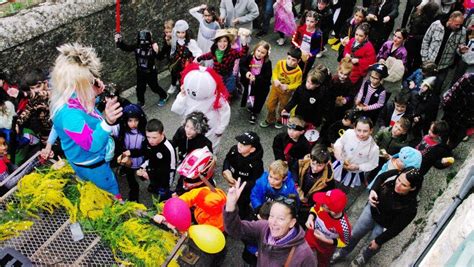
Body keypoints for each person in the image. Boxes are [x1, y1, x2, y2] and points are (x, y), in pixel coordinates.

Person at [49, 43, 121, 198]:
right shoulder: (70, 116)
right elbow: (92, 145)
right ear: (77, 84)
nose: (94, 82)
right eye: (89, 81)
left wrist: (95, 94)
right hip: (92, 164)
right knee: (110, 193)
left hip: (82, 159)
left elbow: (84, 110)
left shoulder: (67, 97)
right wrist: (107, 122)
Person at [331, 167, 424, 266]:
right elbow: (380, 177)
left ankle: (362, 258)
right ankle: (342, 252)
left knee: (372, 246)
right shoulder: (395, 174)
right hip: (372, 210)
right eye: (399, 180)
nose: (398, 185)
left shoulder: (410, 208)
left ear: (413, 188)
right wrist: (373, 191)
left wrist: (379, 241)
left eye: (404, 185)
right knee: (354, 234)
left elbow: (396, 228)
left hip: (385, 225)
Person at [225, 179, 317, 266]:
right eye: (271, 216)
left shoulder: (304, 254)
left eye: (281, 218)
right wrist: (230, 206)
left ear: (292, 222)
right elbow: (235, 230)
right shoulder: (263, 227)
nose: (273, 222)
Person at [171, 63, 230, 152]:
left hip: (209, 127)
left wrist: (221, 128)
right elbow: (177, 109)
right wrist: (182, 95)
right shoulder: (186, 93)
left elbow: (225, 111)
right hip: (190, 126)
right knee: (192, 146)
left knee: (210, 147)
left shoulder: (216, 96)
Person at [115, 30, 169, 107]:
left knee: (154, 87)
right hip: (140, 72)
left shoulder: (152, 47)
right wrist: (119, 41)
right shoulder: (137, 46)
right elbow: (126, 48)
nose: (143, 43)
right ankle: (141, 101)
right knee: (140, 88)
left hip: (151, 72)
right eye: (142, 41)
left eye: (145, 41)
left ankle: (164, 95)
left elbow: (160, 57)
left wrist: (158, 50)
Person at [421, 11, 467, 93]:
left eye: (460, 24)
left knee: (436, 90)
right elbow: (426, 41)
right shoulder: (436, 25)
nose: (458, 26)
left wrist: (461, 50)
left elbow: (459, 47)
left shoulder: (462, 31)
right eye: (457, 24)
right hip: (429, 64)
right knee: (422, 87)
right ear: (450, 20)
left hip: (444, 67)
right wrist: (425, 59)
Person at [222, 131, 264, 219]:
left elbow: (256, 181)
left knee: (242, 205)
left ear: (252, 149)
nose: (239, 145)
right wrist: (226, 170)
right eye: (239, 142)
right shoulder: (234, 150)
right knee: (230, 201)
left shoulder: (256, 164)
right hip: (233, 182)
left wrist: (240, 185)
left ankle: (242, 218)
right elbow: (227, 160)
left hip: (246, 190)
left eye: (244, 145)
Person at [305, 189, 351, 267]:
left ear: (333, 211)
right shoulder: (322, 204)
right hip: (310, 237)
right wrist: (310, 218)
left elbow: (344, 242)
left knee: (323, 263)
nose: (321, 205)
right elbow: (314, 209)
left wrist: (326, 240)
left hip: (325, 248)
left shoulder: (344, 227)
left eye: (323, 205)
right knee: (303, 254)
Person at [195, 29, 250, 95]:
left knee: (228, 91)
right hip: (216, 75)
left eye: (225, 41)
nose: (222, 44)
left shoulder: (232, 52)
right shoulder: (214, 51)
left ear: (228, 42)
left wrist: (244, 43)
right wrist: (198, 59)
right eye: (220, 41)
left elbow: (242, 54)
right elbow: (207, 56)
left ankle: (234, 92)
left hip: (228, 77)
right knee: (216, 91)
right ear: (216, 43)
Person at [260, 47, 303, 128]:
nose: (290, 62)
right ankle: (270, 119)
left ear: (299, 61)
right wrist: (275, 79)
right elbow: (275, 72)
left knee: (284, 108)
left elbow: (298, 84)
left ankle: (281, 120)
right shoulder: (280, 63)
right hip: (275, 89)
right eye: (289, 58)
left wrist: (288, 86)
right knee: (270, 105)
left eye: (293, 60)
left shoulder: (299, 72)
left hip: (286, 93)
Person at [111, 104, 147, 202]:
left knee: (141, 173)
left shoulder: (144, 133)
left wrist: (131, 152)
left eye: (136, 120)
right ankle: (134, 198)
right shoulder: (123, 131)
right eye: (130, 120)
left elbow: (145, 150)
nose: (133, 124)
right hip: (127, 162)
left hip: (139, 159)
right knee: (131, 180)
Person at [136, 119, 176, 201]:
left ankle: (165, 197)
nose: (150, 141)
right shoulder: (147, 142)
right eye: (148, 137)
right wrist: (142, 168)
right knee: (154, 185)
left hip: (165, 178)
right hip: (152, 171)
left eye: (154, 137)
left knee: (163, 193)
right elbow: (146, 156)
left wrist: (149, 174)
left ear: (162, 134)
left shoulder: (168, 149)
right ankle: (154, 187)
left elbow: (169, 170)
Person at [333, 117, 379, 187]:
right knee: (333, 178)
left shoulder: (374, 148)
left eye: (365, 131)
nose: (361, 134)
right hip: (340, 163)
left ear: (371, 131)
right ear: (354, 128)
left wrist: (358, 167)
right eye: (359, 130)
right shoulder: (348, 133)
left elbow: (373, 164)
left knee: (346, 184)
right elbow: (340, 142)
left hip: (353, 171)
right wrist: (338, 150)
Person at [296, 144, 336, 224]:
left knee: (301, 221)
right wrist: (297, 187)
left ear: (327, 163)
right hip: (297, 195)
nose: (315, 168)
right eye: (313, 164)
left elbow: (324, 197)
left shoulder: (328, 180)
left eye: (319, 165)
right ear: (310, 158)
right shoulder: (303, 162)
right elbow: (293, 170)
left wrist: (311, 202)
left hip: (309, 205)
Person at [239, 40, 272, 124]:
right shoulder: (249, 57)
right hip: (249, 81)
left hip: (260, 85)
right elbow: (242, 65)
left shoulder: (267, 63)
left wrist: (256, 78)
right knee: (249, 94)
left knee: (258, 99)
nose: (259, 54)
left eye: (263, 53)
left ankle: (254, 113)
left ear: (266, 54)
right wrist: (247, 72)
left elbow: (267, 76)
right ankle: (250, 105)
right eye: (258, 51)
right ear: (255, 49)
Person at [168, 20, 202, 94]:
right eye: (178, 32)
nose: (180, 34)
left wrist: (197, 58)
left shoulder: (191, 42)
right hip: (177, 61)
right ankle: (179, 88)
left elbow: (198, 52)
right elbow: (173, 49)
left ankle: (185, 91)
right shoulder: (175, 40)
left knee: (186, 78)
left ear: (186, 32)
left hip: (186, 63)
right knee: (176, 73)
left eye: (183, 32)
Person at [404, 2, 439, 74]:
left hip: (417, 44)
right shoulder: (419, 19)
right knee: (410, 61)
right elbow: (414, 34)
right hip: (414, 43)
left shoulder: (427, 18)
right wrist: (427, 36)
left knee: (413, 62)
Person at [442, 73, 474, 149]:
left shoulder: (468, 78)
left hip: (465, 122)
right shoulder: (468, 78)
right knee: (442, 135)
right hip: (453, 113)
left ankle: (444, 152)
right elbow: (450, 95)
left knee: (452, 142)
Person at [291, 11, 323, 78]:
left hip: (309, 57)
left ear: (316, 22)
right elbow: (293, 40)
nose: (309, 23)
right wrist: (299, 48)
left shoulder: (318, 34)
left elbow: (318, 48)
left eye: (312, 22)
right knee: (293, 67)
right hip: (298, 52)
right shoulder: (300, 28)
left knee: (304, 71)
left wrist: (311, 54)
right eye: (307, 20)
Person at [325, 58, 356, 125]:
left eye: (345, 75)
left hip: (342, 106)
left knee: (337, 119)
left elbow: (351, 95)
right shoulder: (333, 79)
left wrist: (346, 99)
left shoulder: (349, 83)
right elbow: (328, 91)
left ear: (349, 74)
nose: (342, 76)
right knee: (328, 118)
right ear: (338, 70)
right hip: (331, 103)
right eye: (341, 73)